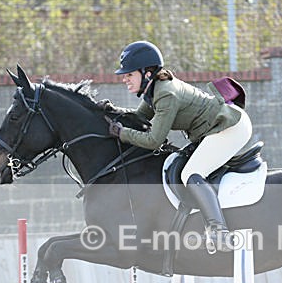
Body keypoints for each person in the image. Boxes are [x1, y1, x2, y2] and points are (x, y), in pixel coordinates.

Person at [104, 41, 253, 253]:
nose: (124, 79)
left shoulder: (165, 94)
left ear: (147, 73)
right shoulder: (154, 90)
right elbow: (139, 118)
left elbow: (153, 140)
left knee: (191, 173)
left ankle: (219, 232)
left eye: (129, 74)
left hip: (231, 127)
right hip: (218, 126)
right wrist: (112, 111)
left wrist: (122, 133)